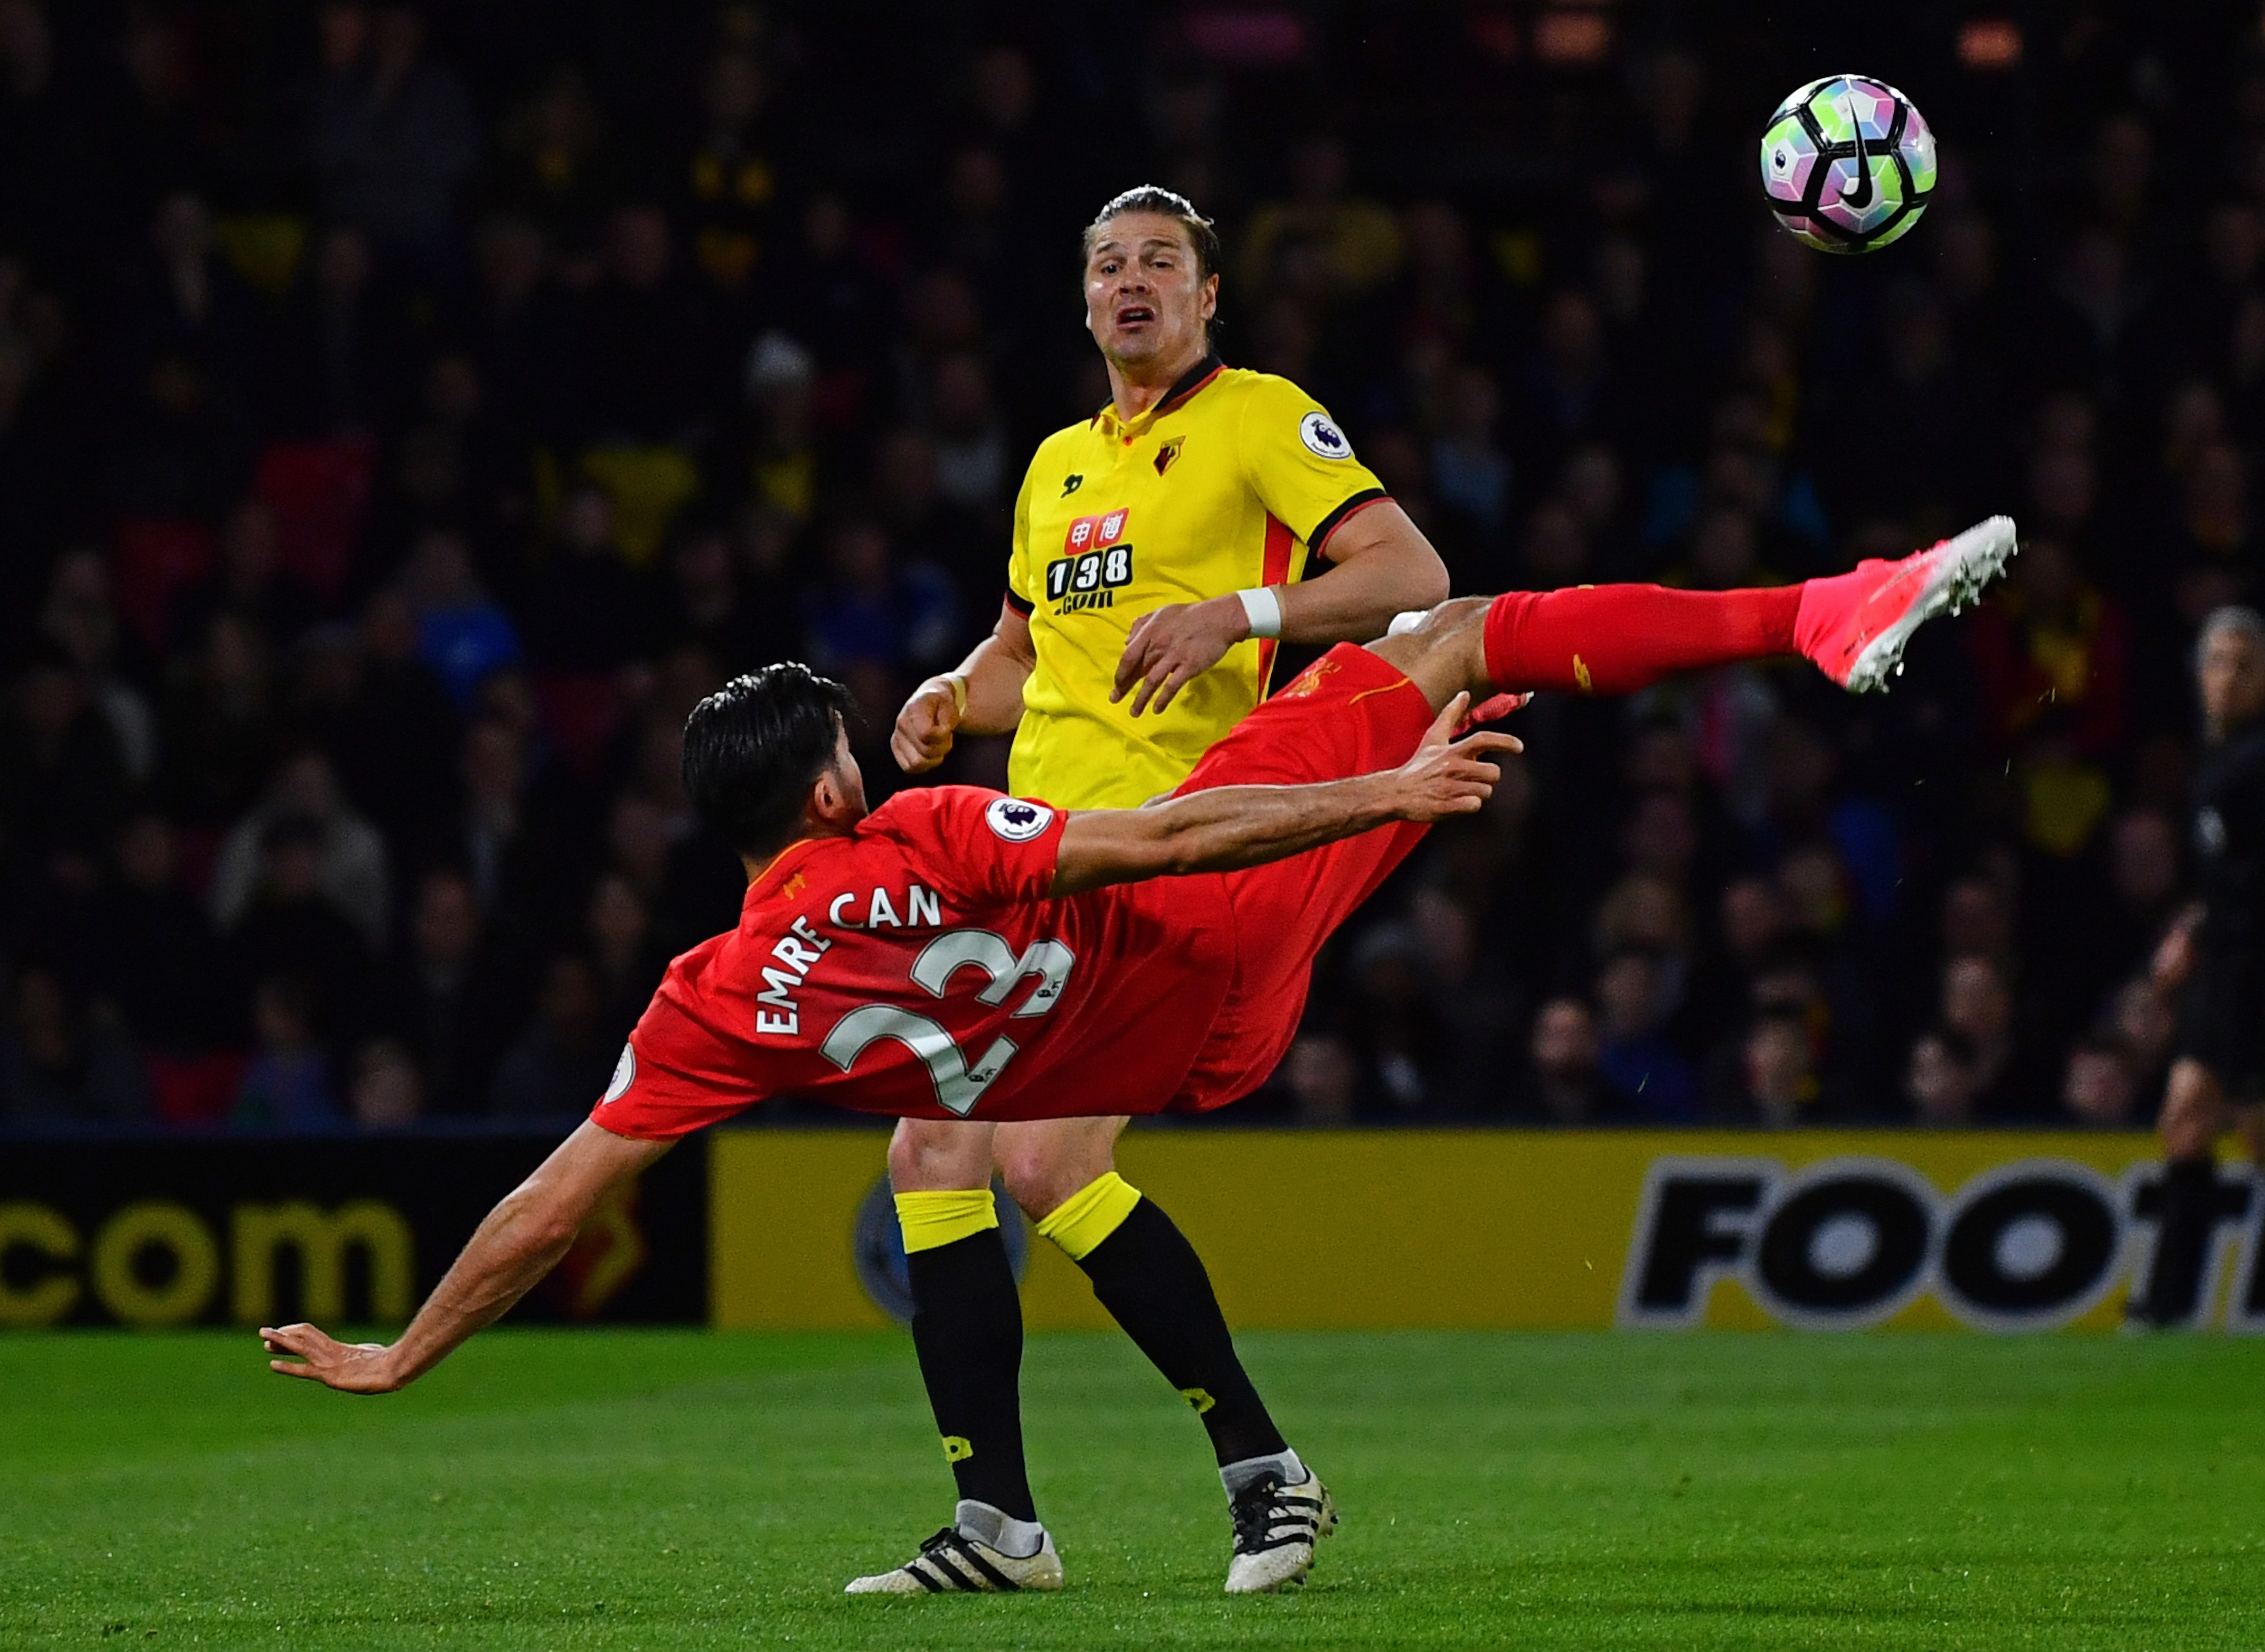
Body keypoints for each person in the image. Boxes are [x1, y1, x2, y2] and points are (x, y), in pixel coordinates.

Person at [260, 516, 2013, 1593]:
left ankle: (1078, 1507)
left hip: (1157, 1058)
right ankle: (1818, 610)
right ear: (824, 791)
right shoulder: (929, 831)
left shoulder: (710, 1002)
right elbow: (1167, 848)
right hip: (1217, 939)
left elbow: (559, 1203)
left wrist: (406, 1352)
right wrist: (1387, 798)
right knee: (1461, 635)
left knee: (962, 1142)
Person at [879, 185, 1449, 1595]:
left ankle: (1266, 1478)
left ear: (1207, 300)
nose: (1131, 285)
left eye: (1159, 266)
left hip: (1176, 845)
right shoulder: (1058, 462)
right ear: (1081, 303)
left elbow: (1409, 575)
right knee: (933, 1154)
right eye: (1107, 267)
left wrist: (1240, 614)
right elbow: (1027, 657)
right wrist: (954, 694)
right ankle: (1000, 1527)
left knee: (1042, 1162)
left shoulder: (1258, 416)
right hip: (1033, 852)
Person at [2129, 607, 2265, 1326]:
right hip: (2225, 968)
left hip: (2251, 970)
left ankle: (2186, 1302)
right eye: (2217, 661)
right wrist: (2194, 927)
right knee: (2186, 1119)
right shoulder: (2215, 758)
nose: (2228, 677)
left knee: (2247, 1129)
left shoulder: (2254, 761)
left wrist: (2207, 929)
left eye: (2244, 664)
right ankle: (2169, 1305)